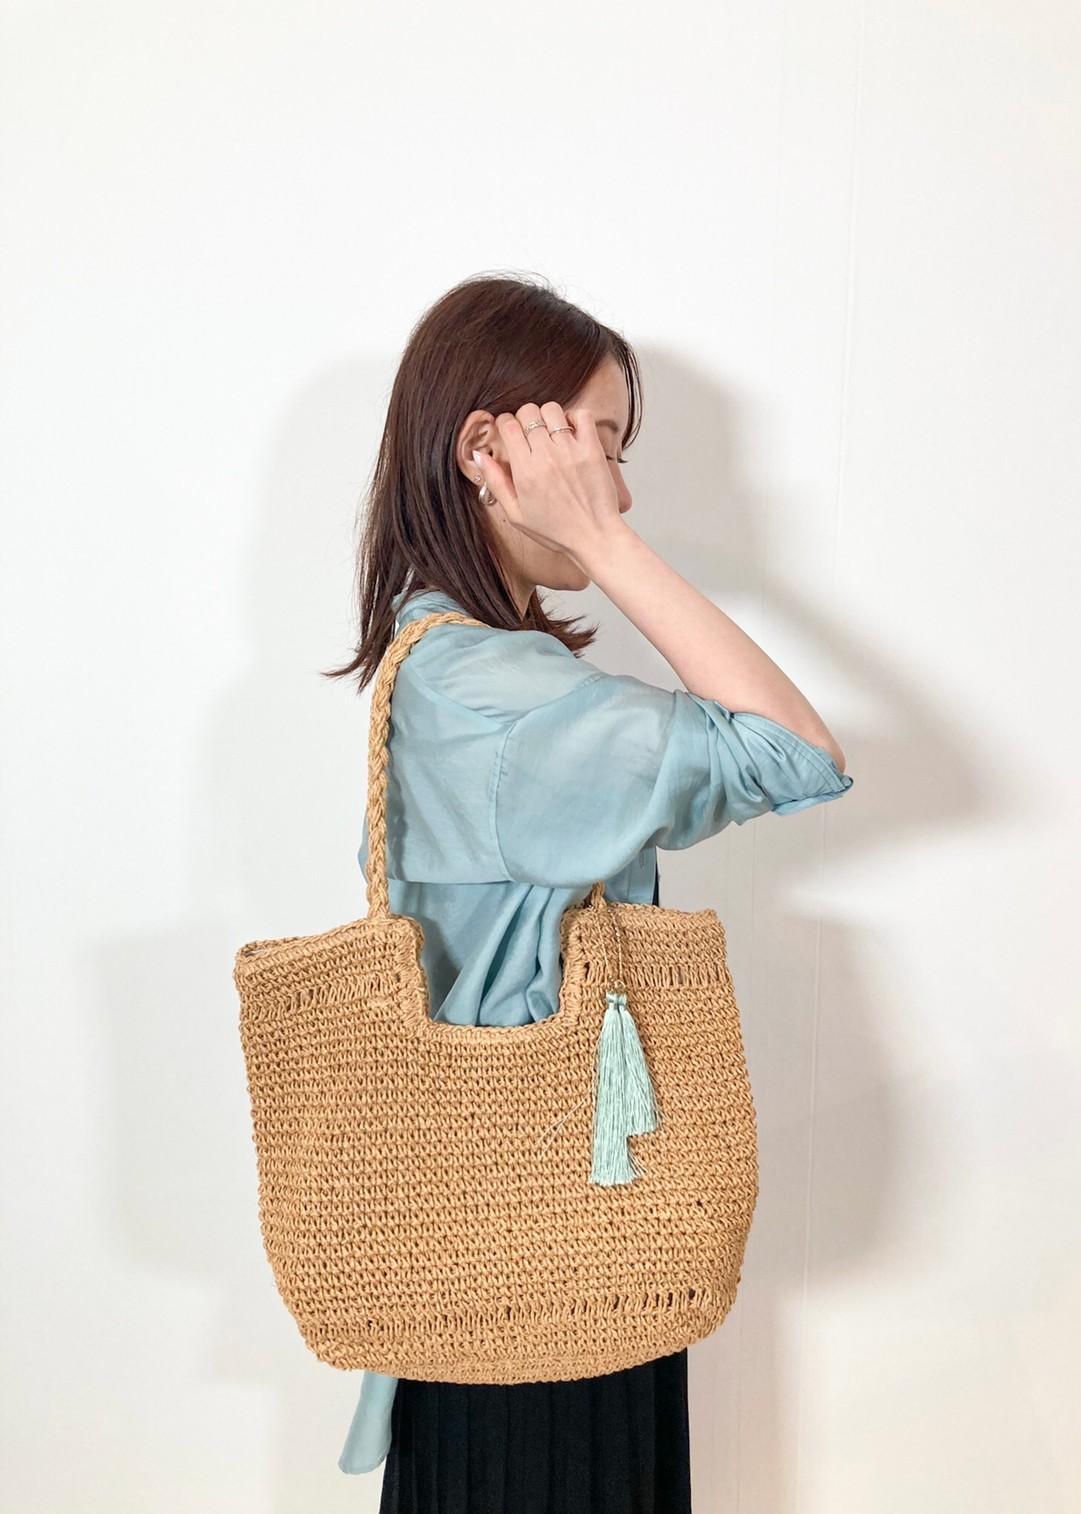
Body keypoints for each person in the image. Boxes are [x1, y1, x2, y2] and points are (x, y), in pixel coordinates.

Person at [325, 273, 853, 1514]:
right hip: (546, 1257)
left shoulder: (460, 667)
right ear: (487, 448)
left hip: (520, 1240)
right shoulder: (486, 693)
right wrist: (611, 552)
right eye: (598, 444)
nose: (617, 488)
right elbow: (795, 753)